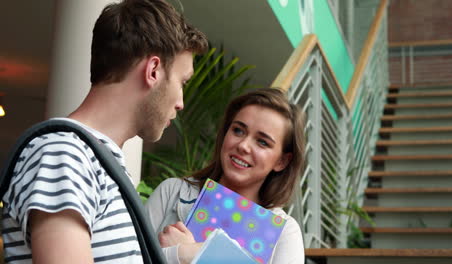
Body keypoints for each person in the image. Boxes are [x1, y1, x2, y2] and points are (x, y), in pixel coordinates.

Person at [1, 0, 208, 263]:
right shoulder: (64, 154)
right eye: (182, 82)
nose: (181, 102)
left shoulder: (90, 159)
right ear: (153, 70)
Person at [145, 88, 306, 264]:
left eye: (262, 142)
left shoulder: (284, 232)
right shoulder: (173, 192)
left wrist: (187, 254)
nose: (243, 145)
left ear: (282, 161)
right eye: (238, 130)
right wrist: (181, 254)